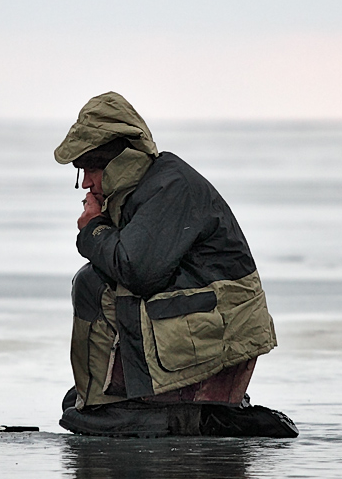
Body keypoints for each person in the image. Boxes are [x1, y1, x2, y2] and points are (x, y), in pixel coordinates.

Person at [55, 92, 297, 437]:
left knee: (97, 286)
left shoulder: (170, 187)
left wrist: (94, 229)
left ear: (115, 162)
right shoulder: (147, 186)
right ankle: (116, 400)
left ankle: (195, 416)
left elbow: (138, 271)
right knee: (92, 286)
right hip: (206, 319)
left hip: (220, 326)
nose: (86, 183)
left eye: (90, 169)